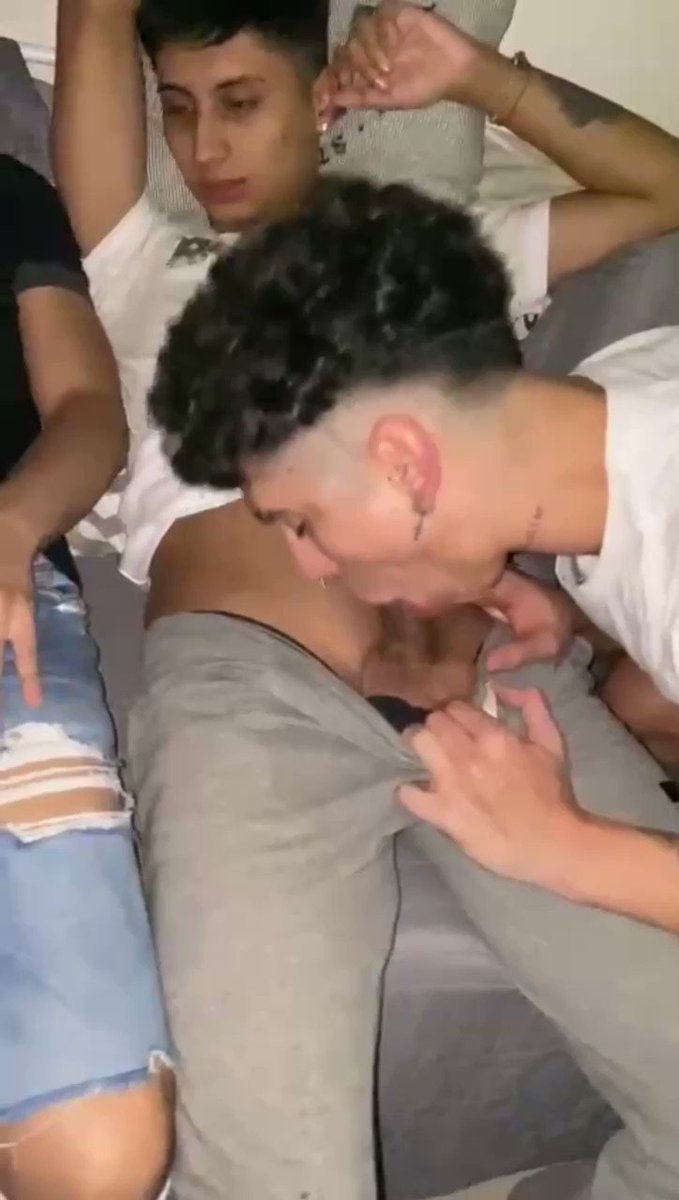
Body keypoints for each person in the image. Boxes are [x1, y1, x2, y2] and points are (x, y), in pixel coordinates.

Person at [54, 2, 679, 1198]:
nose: (203, 147)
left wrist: (482, 82)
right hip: (254, 699)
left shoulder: (427, 261)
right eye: (176, 111)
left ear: (319, 105)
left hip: (497, 694)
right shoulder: (145, 270)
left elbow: (663, 194)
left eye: (241, 103)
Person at [0, 153, 172, 1200]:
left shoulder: (7, 194)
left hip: (5, 603)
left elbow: (87, 409)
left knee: (99, 1151)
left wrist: (13, 524)